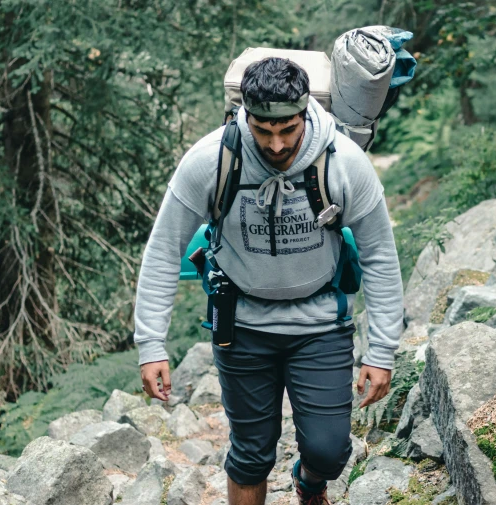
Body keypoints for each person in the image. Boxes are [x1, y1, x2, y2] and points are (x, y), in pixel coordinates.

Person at [134, 57, 403, 505]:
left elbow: (380, 255)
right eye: (263, 131)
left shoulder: (344, 163)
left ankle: (309, 481)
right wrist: (150, 345)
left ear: (304, 114)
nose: (276, 145)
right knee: (251, 456)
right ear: (245, 115)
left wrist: (382, 351)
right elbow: (163, 250)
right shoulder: (210, 160)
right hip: (241, 326)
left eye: (288, 130)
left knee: (330, 449)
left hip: (321, 325)